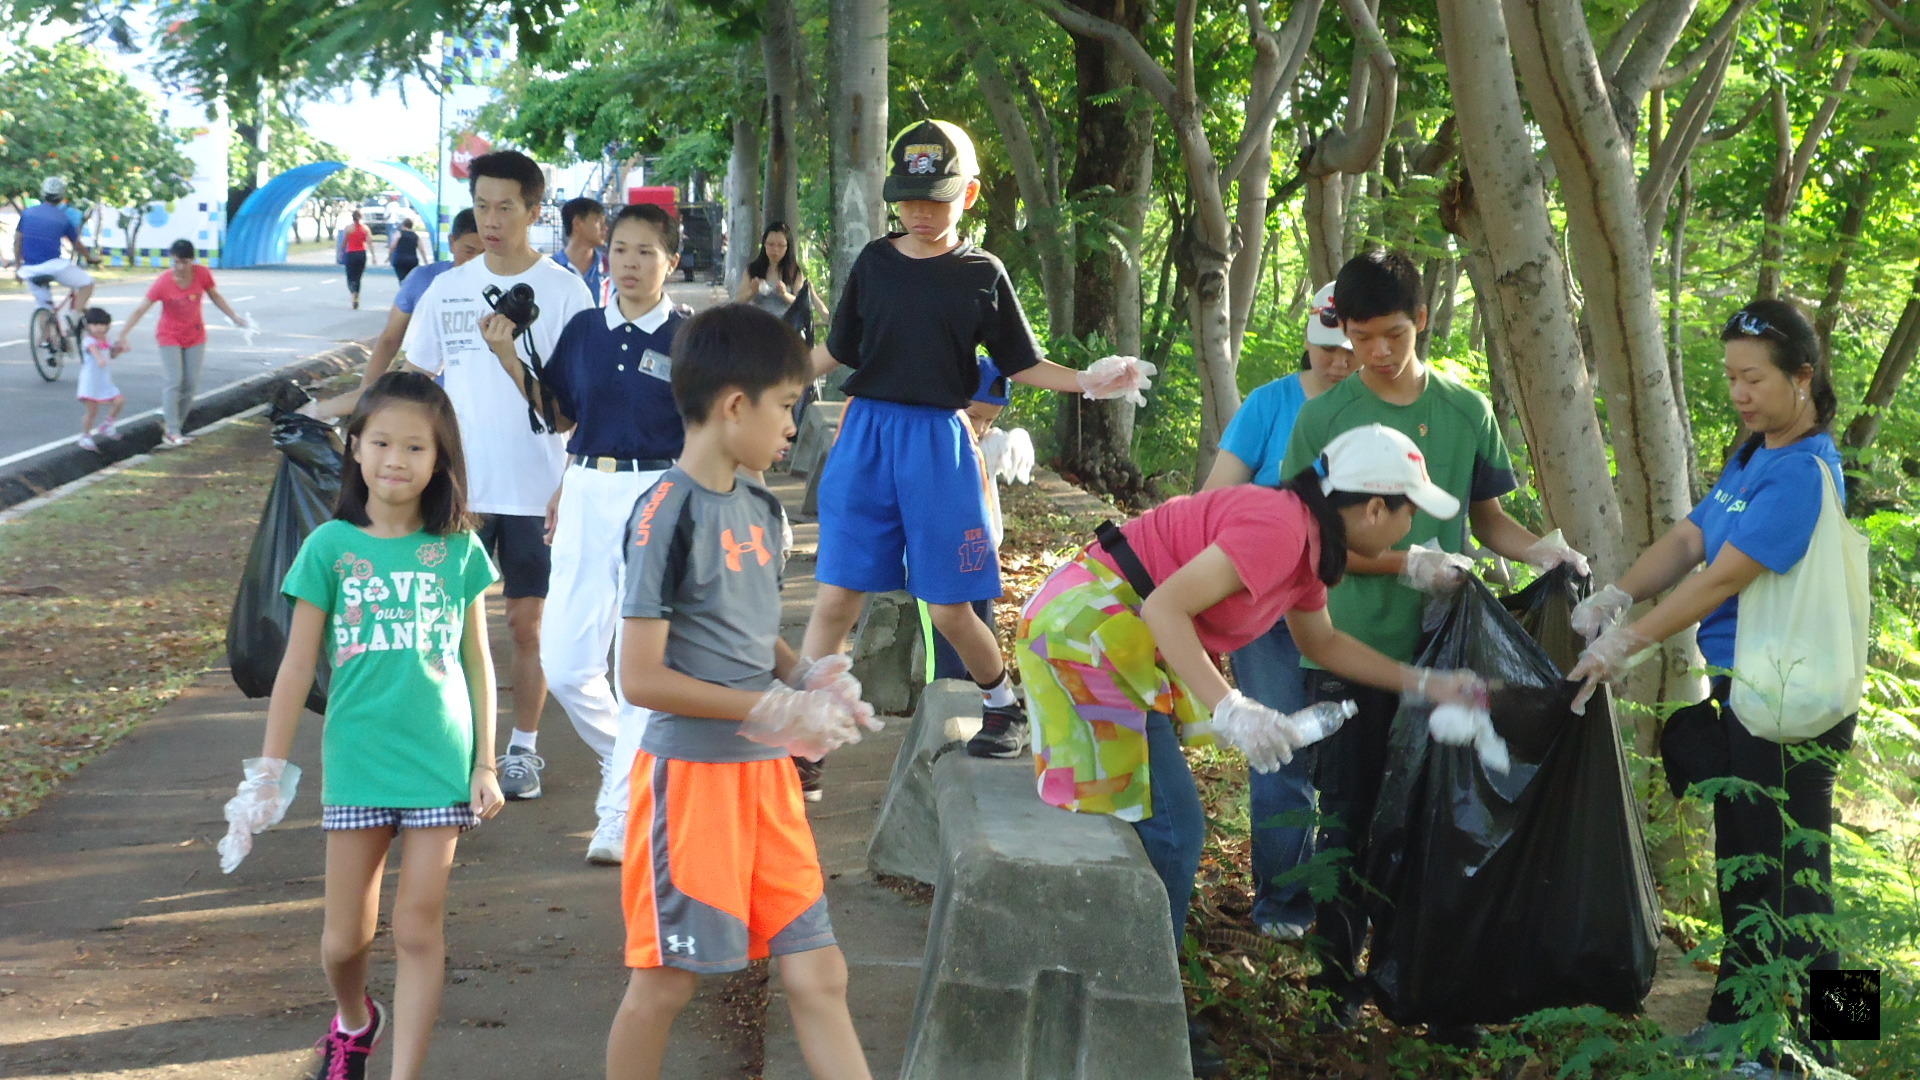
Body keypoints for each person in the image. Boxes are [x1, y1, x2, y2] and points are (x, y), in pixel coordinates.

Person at [1018, 424, 1487, 1076]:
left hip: (1115, 633)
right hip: (1090, 631)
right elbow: (1165, 606)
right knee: (1174, 827)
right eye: (1409, 515)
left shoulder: (1306, 546)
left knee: (1161, 825)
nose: (1405, 535)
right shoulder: (1279, 528)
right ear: (1377, 507)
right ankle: (1139, 1006)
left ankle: (1124, 983)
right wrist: (1229, 707)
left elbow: (1324, 645)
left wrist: (1428, 683)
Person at [1278, 251, 1589, 1037]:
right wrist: (1402, 563)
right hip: (1345, 645)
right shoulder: (1325, 417)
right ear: (1340, 332)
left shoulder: (1463, 410)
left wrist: (1540, 550)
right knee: (1347, 815)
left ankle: (1435, 988)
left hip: (1444, 654)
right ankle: (1334, 983)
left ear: (1421, 321)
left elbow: (1486, 518)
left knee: (1440, 819)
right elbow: (1301, 537)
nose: (1379, 351)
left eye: (1393, 332)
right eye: (1361, 336)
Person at [800, 118, 1154, 776]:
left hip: (938, 442)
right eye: (908, 199)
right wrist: (766, 377)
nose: (920, 212)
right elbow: (835, 351)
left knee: (950, 607)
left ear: (968, 194)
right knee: (835, 598)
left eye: (935, 198)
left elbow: (1021, 363)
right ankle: (804, 736)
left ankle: (1003, 705)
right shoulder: (875, 263)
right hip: (867, 435)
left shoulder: (981, 273)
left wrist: (1088, 381)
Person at [1569, 299, 1850, 1077]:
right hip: (1749, 694)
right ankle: (1739, 1025)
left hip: (1793, 703)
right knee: (1750, 867)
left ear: (1803, 376)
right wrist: (1618, 594)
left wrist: (1629, 643)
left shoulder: (1804, 471)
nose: (1739, 393)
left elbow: (1724, 578)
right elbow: (1693, 538)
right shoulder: (1754, 455)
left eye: (1753, 378)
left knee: (1792, 878)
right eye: (1731, 377)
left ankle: (1831, 1045)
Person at [608, 302, 875, 1080]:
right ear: (733, 406)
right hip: (692, 785)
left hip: (766, 781)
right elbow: (640, 676)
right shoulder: (663, 514)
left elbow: (751, 631)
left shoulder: (761, 505)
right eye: (786, 407)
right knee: (664, 983)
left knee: (819, 973)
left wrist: (806, 676)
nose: (795, 425)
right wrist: (769, 707)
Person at [232, 370, 504, 1080]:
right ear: (354, 448)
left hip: (438, 761)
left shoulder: (458, 550)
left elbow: (478, 664)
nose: (396, 459)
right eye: (381, 441)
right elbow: (296, 667)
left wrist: (485, 764)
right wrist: (268, 768)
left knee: (417, 926)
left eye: (416, 448)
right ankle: (354, 1018)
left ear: (440, 461)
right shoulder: (328, 547)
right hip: (356, 758)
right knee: (343, 937)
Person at [401, 150, 597, 846]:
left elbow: (576, 409)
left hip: (535, 491)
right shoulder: (447, 289)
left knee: (525, 627)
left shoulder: (567, 292)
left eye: (505, 207)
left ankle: (521, 747)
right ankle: (450, 746)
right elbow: (419, 387)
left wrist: (572, 479)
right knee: (444, 625)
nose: (490, 219)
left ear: (535, 210)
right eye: (481, 205)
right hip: (455, 490)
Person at [490, 202, 688, 861]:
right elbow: (560, 416)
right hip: (586, 489)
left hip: (659, 491)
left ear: (671, 263)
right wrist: (506, 357)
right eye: (620, 250)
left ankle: (619, 812)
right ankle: (636, 766)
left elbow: (712, 429)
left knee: (638, 660)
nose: (629, 263)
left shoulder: (687, 341)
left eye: (645, 252)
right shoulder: (584, 331)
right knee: (567, 662)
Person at [1199, 283, 1354, 940]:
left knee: (1347, 758)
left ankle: (1341, 905)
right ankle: (1283, 905)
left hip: (1345, 606)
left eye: (1349, 351)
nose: (1337, 362)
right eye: (1327, 348)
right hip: (1264, 600)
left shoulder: (1380, 411)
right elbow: (1214, 497)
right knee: (1282, 751)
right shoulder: (1269, 404)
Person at [304, 210, 486, 422]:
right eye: (469, 251)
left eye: (484, 254)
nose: (475, 261)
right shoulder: (426, 281)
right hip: (424, 401)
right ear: (452, 242)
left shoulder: (503, 290)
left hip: (475, 405)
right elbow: (391, 339)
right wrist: (365, 394)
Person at [117, 239, 247, 449]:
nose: (179, 267)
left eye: (183, 262)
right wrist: (123, 334)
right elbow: (141, 308)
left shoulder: (202, 274)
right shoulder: (164, 282)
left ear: (192, 261)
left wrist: (234, 317)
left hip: (195, 335)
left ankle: (174, 426)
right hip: (169, 335)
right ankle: (173, 431)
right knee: (174, 380)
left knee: (190, 384)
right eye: (175, 262)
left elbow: (215, 296)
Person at [15, 176, 95, 322]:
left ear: (43, 193)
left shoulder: (27, 214)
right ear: (61, 196)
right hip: (54, 267)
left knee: (44, 307)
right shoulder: (62, 217)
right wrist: (91, 258)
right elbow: (77, 244)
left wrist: (18, 266)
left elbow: (18, 240)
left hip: (30, 269)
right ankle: (75, 316)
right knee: (87, 283)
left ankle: (44, 340)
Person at [737, 221, 830, 326]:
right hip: (758, 325)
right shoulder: (752, 270)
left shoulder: (794, 271)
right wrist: (752, 291)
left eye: (781, 245)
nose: (775, 250)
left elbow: (800, 303)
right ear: (764, 245)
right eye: (771, 244)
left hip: (786, 327)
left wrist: (784, 294)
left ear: (787, 246)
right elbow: (738, 300)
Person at [74, 307, 126, 452]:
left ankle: (107, 425)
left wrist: (119, 349)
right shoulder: (89, 341)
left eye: (103, 325)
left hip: (104, 381)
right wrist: (99, 358)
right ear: (88, 326)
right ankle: (85, 436)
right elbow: (94, 351)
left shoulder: (106, 340)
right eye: (95, 325)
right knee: (92, 411)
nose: (99, 328)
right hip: (90, 382)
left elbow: (111, 355)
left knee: (119, 401)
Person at [554, 196, 609, 303]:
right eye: (598, 221)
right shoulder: (552, 269)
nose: (605, 227)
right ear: (577, 223)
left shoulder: (609, 267)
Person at [339, 210, 374, 309]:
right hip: (361, 254)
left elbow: (344, 243)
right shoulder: (366, 228)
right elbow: (370, 243)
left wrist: (341, 253)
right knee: (358, 277)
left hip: (351, 254)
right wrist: (373, 256)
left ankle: (353, 293)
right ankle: (356, 296)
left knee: (350, 277)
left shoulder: (348, 229)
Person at [389, 217, 424, 283]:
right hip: (412, 260)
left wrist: (390, 257)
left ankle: (403, 288)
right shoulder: (415, 236)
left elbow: (392, 247)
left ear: (403, 225)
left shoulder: (399, 233)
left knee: (402, 279)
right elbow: (421, 249)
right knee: (411, 280)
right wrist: (425, 261)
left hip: (400, 259)